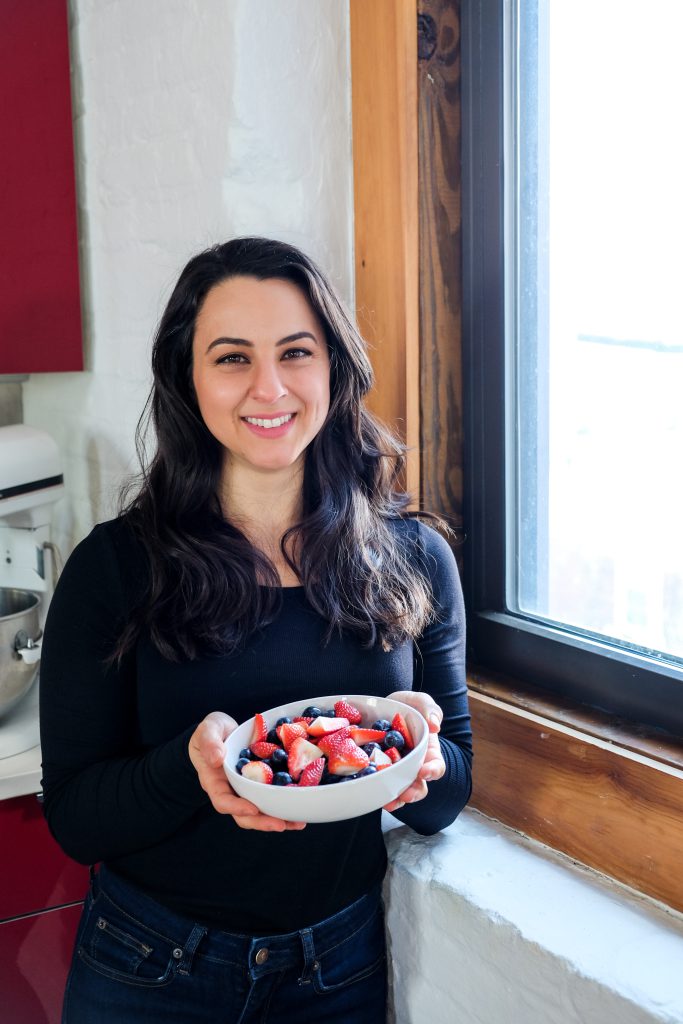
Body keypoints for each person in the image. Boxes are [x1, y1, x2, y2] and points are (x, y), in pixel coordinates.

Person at [39, 236, 473, 1024]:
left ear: (334, 368)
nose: (269, 387)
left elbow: (449, 797)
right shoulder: (115, 567)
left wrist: (422, 758)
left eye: (296, 352)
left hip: (336, 969)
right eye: (232, 357)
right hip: (149, 967)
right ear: (188, 378)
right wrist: (191, 768)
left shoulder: (415, 557)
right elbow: (73, 815)